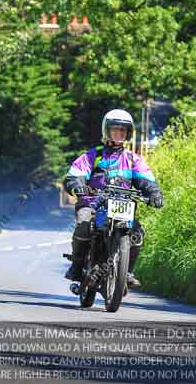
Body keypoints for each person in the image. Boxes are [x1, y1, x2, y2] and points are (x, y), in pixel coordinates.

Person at [63, 109, 164, 288]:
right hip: (92, 204)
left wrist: (154, 193)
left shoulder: (133, 159)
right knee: (83, 226)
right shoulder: (93, 155)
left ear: (128, 133)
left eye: (123, 130)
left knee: (137, 232)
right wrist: (77, 185)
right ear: (106, 131)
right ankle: (77, 267)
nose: (119, 134)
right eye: (115, 129)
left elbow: (146, 180)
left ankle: (127, 272)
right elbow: (75, 175)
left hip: (122, 206)